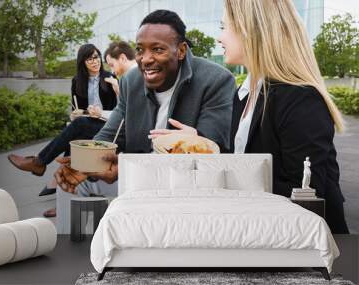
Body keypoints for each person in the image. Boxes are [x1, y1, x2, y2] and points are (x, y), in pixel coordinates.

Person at [54, 9, 236, 195]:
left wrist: (190, 139)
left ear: (180, 51)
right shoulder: (130, 81)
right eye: (140, 50)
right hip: (136, 174)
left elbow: (213, 148)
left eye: (158, 49)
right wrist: (84, 164)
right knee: (72, 183)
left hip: (186, 184)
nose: (146, 59)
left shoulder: (216, 80)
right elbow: (111, 134)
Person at [219, 0, 348, 233]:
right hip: (267, 232)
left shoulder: (299, 98)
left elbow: (307, 190)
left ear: (250, 30)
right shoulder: (245, 94)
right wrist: (207, 147)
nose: (220, 38)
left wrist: (231, 183)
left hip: (309, 247)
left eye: (223, 27)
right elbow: (246, 160)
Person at [7, 44, 118, 176]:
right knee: (77, 131)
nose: (95, 61)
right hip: (88, 122)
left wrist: (113, 93)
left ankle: (39, 162)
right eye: (90, 59)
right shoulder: (77, 81)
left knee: (79, 126)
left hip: (107, 124)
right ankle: (58, 176)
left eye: (96, 57)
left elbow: (118, 110)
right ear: (83, 62)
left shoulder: (110, 79)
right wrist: (75, 115)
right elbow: (77, 109)